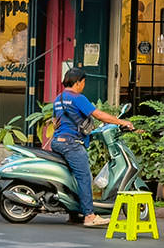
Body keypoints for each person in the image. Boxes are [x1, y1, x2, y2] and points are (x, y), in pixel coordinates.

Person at [50, 68, 135, 228]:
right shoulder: (78, 98)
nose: (84, 85)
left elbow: (56, 122)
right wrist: (122, 122)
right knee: (84, 178)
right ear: (77, 82)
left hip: (58, 142)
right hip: (72, 144)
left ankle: (74, 214)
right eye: (83, 82)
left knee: (72, 177)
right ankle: (89, 216)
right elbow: (99, 115)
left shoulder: (59, 98)